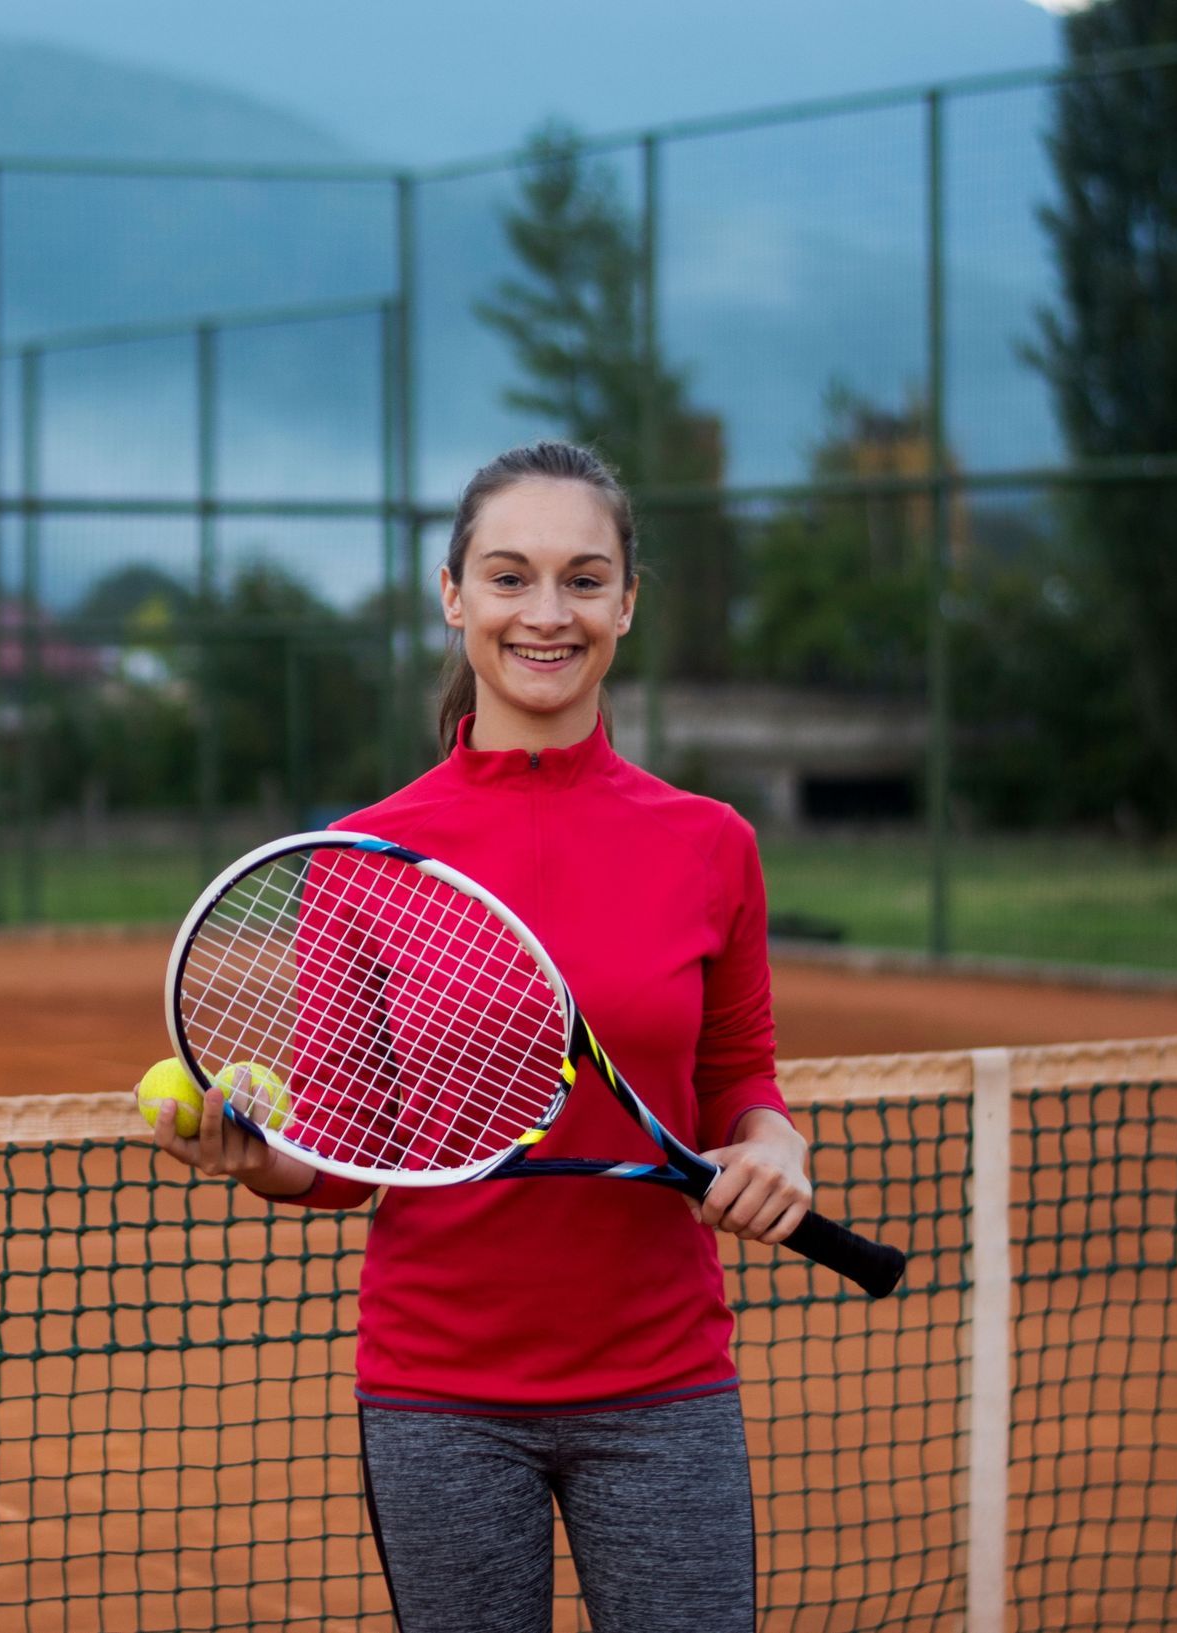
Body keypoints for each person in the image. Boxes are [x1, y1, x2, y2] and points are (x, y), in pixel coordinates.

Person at [145, 439, 811, 1633]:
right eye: (507, 577)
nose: (544, 613)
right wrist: (258, 1160)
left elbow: (737, 1084)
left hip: (665, 1388)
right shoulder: (359, 860)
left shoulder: (712, 844)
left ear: (626, 604)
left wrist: (777, 1147)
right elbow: (345, 1156)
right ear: (453, 597)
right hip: (440, 1397)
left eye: (582, 578)